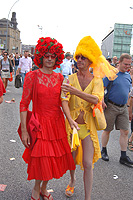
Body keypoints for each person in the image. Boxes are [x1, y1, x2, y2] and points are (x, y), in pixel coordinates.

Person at [61, 36, 118, 200]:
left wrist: (74, 92)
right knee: (71, 161)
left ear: (90, 60)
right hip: (72, 126)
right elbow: (64, 100)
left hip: (87, 128)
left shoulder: (97, 81)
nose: (79, 60)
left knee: (87, 164)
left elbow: (96, 99)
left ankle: (88, 197)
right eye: (78, 57)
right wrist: (70, 120)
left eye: (83, 57)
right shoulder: (70, 79)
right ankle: (72, 181)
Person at [19, 37, 75, 200]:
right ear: (41, 56)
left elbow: (63, 102)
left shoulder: (60, 78)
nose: (50, 59)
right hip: (39, 124)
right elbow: (23, 104)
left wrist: (70, 119)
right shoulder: (32, 76)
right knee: (41, 160)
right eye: (47, 55)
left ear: (57, 58)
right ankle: (37, 188)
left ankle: (44, 187)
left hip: (56, 124)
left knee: (52, 159)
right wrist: (24, 130)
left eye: (53, 56)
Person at [101, 53, 133, 167]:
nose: (127, 67)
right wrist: (102, 101)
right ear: (119, 62)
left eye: (129, 64)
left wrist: (129, 106)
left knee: (125, 131)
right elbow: (102, 88)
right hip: (111, 106)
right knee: (107, 130)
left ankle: (123, 156)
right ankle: (103, 150)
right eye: (125, 64)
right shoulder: (111, 74)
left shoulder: (128, 75)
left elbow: (128, 91)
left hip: (123, 107)